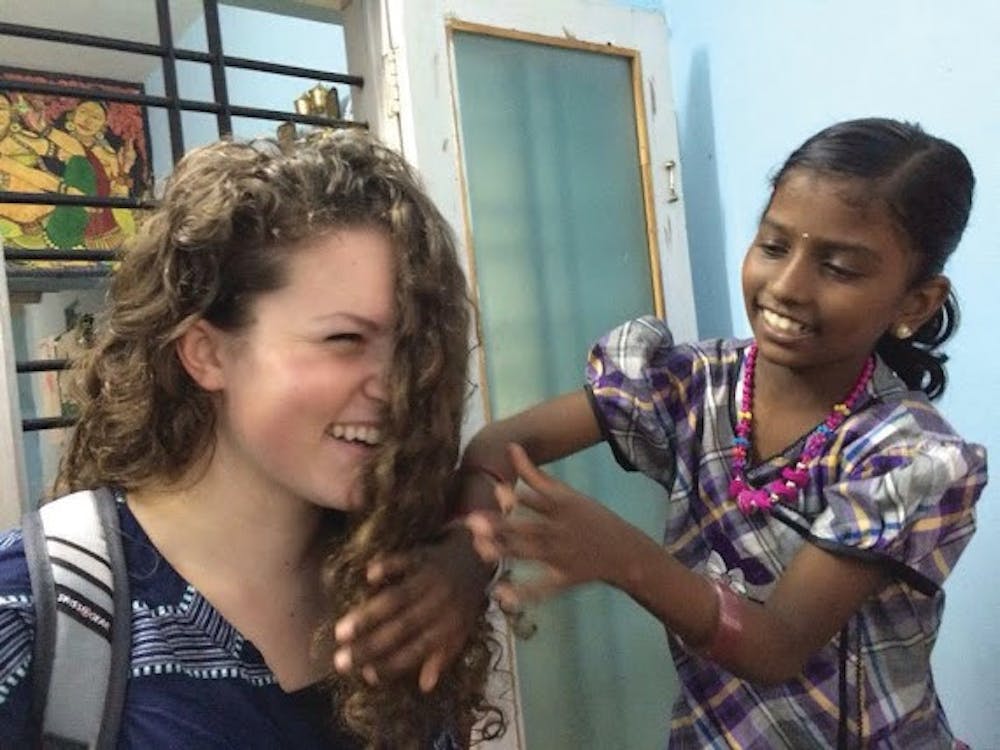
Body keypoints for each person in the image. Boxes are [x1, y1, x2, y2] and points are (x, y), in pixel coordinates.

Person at [460, 118, 987, 748]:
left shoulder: (907, 459)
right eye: (773, 246)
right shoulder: (691, 385)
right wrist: (457, 568)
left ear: (915, 303)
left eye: (840, 268)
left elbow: (777, 647)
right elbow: (498, 447)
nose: (788, 286)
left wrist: (623, 557)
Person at [0, 128, 500, 748]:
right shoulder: (36, 612)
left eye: (414, 347)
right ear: (206, 353)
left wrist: (471, 557)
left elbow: (500, 477)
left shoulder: (404, 584)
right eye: (343, 340)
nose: (401, 387)